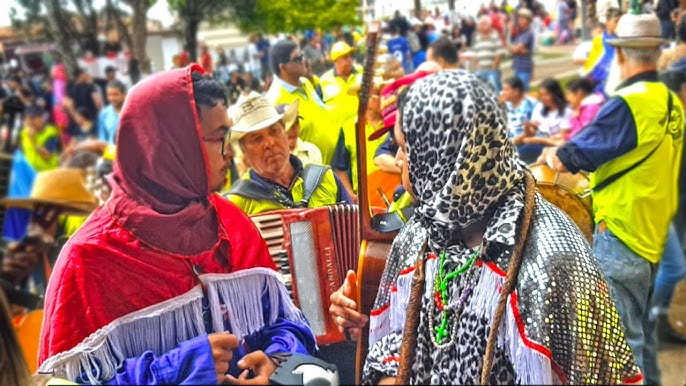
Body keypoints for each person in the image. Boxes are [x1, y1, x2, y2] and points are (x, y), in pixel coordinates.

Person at [329, 70, 641, 385]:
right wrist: (361, 321)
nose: (397, 160)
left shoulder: (554, 263)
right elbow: (402, 344)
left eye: (405, 148)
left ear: (445, 160)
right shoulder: (423, 230)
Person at [37, 66, 317, 384]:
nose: (230, 152)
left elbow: (286, 321)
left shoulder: (231, 225)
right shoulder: (86, 259)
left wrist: (276, 360)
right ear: (171, 145)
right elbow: (65, 381)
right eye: (219, 138)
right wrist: (178, 367)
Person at [541, 13, 684, 385]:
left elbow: (573, 155)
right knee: (642, 337)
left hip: (622, 234)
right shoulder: (669, 102)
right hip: (653, 234)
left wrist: (553, 154)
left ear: (620, 56)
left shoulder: (628, 103)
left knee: (620, 347)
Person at [226, 95, 351, 215]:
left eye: (274, 131)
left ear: (285, 135)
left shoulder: (325, 178)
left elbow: (354, 229)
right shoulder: (236, 204)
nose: (269, 143)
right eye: (257, 139)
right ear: (245, 154)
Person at [266, 40, 336, 165]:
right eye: (298, 58)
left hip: (336, 164)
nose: (304, 60)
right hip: (313, 175)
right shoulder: (276, 101)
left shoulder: (305, 82)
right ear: (283, 67)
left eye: (303, 55)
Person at [519, 78, 574, 148]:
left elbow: (562, 138)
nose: (543, 98)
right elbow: (530, 135)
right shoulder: (540, 107)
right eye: (541, 95)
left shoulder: (566, 110)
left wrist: (540, 140)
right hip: (538, 142)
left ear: (555, 94)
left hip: (554, 145)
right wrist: (527, 126)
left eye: (546, 94)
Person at [499, 76, 539, 162]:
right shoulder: (505, 105)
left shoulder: (531, 104)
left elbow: (534, 130)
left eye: (506, 90)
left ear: (516, 92)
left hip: (526, 142)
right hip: (509, 143)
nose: (502, 93)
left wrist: (513, 142)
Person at [467, 15, 507, 93]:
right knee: (478, 90)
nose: (481, 26)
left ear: (489, 25)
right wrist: (477, 63)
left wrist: (494, 67)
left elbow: (499, 53)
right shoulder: (477, 37)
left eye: (483, 24)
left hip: (491, 71)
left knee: (495, 91)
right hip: (480, 70)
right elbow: (475, 52)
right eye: (480, 24)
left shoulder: (495, 36)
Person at [19, 105, 60, 172]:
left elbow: (47, 156)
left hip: (46, 173)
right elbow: (22, 153)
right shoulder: (24, 133)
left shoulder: (50, 132)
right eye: (27, 119)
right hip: (30, 173)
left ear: (41, 118)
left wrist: (33, 141)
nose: (30, 122)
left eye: (33, 119)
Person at [508, 8, 536, 91]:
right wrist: (519, 50)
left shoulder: (528, 33)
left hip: (524, 68)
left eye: (522, 18)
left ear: (528, 20)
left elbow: (514, 50)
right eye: (519, 18)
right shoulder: (519, 34)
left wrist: (517, 50)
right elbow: (511, 50)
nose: (519, 21)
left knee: (523, 92)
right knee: (517, 91)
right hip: (517, 66)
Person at [98, 80, 126, 145]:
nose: (112, 98)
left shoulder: (131, 110)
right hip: (112, 152)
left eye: (115, 94)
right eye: (109, 95)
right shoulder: (104, 114)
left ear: (124, 95)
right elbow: (103, 139)